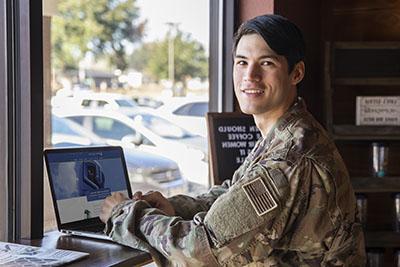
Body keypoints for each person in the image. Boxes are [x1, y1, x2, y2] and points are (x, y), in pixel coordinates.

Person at [100, 14, 366, 266]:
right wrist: (174, 206)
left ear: (296, 73)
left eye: (266, 63)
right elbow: (233, 193)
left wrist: (125, 213)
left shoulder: (288, 160)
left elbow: (198, 252)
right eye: (242, 62)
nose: (250, 76)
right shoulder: (291, 131)